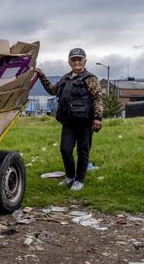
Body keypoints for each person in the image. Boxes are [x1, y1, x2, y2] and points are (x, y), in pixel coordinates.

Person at [35, 48, 103, 191]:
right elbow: (53, 90)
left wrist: (97, 118)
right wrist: (41, 75)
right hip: (68, 122)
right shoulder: (65, 78)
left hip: (85, 122)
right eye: (73, 59)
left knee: (83, 151)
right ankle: (70, 176)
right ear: (69, 62)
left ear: (85, 61)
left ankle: (79, 180)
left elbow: (97, 98)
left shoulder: (90, 78)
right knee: (65, 149)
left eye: (79, 59)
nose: (76, 62)